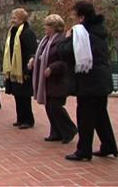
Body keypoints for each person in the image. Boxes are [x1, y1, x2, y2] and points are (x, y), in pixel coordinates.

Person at [58, 1, 118, 161]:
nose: (72, 17)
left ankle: (83, 150)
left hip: (88, 81)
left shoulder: (80, 33)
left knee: (85, 116)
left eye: (74, 15)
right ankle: (109, 145)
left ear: (82, 17)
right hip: (101, 79)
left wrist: (66, 38)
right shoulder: (99, 31)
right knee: (100, 114)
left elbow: (66, 52)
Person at [30, 14, 76, 144]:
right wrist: (34, 59)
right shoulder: (45, 41)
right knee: (49, 107)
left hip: (59, 80)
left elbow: (65, 60)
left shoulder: (61, 40)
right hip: (47, 80)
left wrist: (52, 68)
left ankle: (69, 129)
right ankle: (56, 132)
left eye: (47, 25)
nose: (45, 27)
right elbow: (42, 55)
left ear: (54, 27)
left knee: (55, 106)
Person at [3, 8, 37, 129]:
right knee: (17, 94)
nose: (12, 20)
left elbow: (31, 51)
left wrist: (27, 70)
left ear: (22, 19)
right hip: (14, 69)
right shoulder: (12, 32)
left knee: (24, 95)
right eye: (12, 17)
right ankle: (20, 118)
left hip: (23, 69)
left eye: (14, 18)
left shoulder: (27, 32)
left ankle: (28, 120)